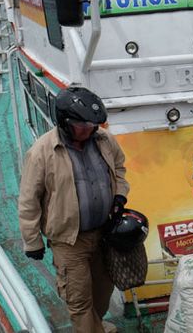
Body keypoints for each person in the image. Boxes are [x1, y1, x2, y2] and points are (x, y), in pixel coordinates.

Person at [18, 87, 130, 333]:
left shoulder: (103, 140)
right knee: (78, 300)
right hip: (69, 240)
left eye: (94, 125)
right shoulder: (41, 152)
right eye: (84, 125)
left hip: (103, 233)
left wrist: (120, 194)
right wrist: (32, 241)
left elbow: (120, 167)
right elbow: (28, 201)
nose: (90, 130)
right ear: (65, 122)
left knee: (103, 290)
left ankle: (96, 326)